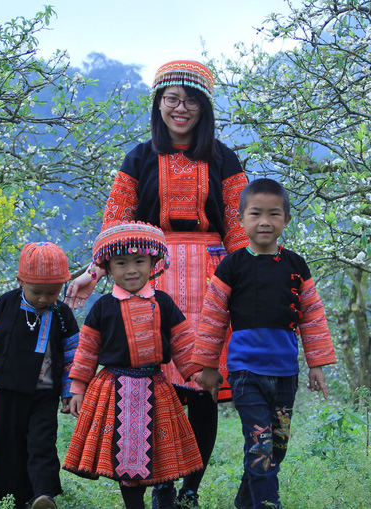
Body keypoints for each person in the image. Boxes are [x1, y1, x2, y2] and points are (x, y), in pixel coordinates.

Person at [66, 59, 248, 508]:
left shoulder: (223, 158)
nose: (180, 109)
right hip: (148, 279)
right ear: (158, 104)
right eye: (171, 99)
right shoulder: (139, 157)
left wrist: (250, 280)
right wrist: (94, 272)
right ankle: (161, 480)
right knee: (153, 385)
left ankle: (190, 489)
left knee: (201, 387)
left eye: (190, 101)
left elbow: (239, 227)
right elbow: (116, 222)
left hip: (210, 279)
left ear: (204, 107)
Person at [192, 178, 336, 509]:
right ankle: (267, 504)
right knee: (260, 445)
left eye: (274, 214)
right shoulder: (232, 266)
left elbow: (312, 316)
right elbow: (213, 318)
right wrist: (209, 368)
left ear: (286, 220)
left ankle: (245, 503)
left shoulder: (296, 266)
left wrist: (316, 364)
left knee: (277, 447)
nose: (265, 222)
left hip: (286, 375)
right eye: (256, 214)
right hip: (246, 375)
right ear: (241, 220)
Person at [63, 222, 204, 509]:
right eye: (121, 262)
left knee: (162, 451)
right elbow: (87, 351)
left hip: (156, 386)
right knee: (125, 452)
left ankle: (165, 499)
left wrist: (198, 374)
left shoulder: (162, 302)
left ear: (153, 262)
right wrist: (77, 387)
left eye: (139, 261)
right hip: (115, 390)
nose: (131, 270)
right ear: (108, 268)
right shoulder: (102, 307)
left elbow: (182, 342)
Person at [0, 241, 79, 509]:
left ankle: (44, 495)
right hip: (8, 390)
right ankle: (14, 498)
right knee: (9, 443)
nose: (44, 299)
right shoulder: (6, 305)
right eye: (37, 292)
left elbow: (73, 354)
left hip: (44, 395)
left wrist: (70, 390)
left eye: (52, 292)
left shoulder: (62, 314)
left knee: (42, 443)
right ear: (21, 282)